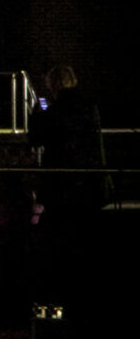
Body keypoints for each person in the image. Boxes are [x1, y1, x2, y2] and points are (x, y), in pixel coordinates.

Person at [29, 65, 110, 226]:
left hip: (60, 184)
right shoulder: (89, 108)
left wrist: (35, 116)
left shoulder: (54, 112)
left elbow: (36, 139)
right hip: (90, 182)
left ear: (54, 85)